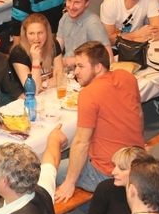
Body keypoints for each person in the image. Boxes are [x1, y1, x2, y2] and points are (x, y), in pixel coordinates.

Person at [55, 41, 144, 202]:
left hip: (107, 172)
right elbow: (139, 115)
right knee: (72, 155)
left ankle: (99, 207)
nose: (75, 72)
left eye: (81, 66)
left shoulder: (88, 94)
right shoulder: (127, 77)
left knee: (47, 171)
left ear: (98, 67)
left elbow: (82, 142)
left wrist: (69, 182)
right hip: (136, 161)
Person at [56, 0, 112, 68]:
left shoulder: (93, 24)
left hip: (85, 71)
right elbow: (57, 48)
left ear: (87, 3)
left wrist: (75, 60)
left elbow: (109, 58)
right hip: (66, 69)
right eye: (69, 1)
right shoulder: (65, 18)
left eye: (77, 2)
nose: (71, 6)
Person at [8, 13, 63, 94]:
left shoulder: (53, 44)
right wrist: (36, 60)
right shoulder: (18, 53)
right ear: (25, 35)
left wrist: (44, 84)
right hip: (25, 98)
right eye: (31, 33)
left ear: (47, 33)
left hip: (48, 93)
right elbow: (33, 90)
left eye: (40, 33)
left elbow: (60, 77)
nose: (36, 38)